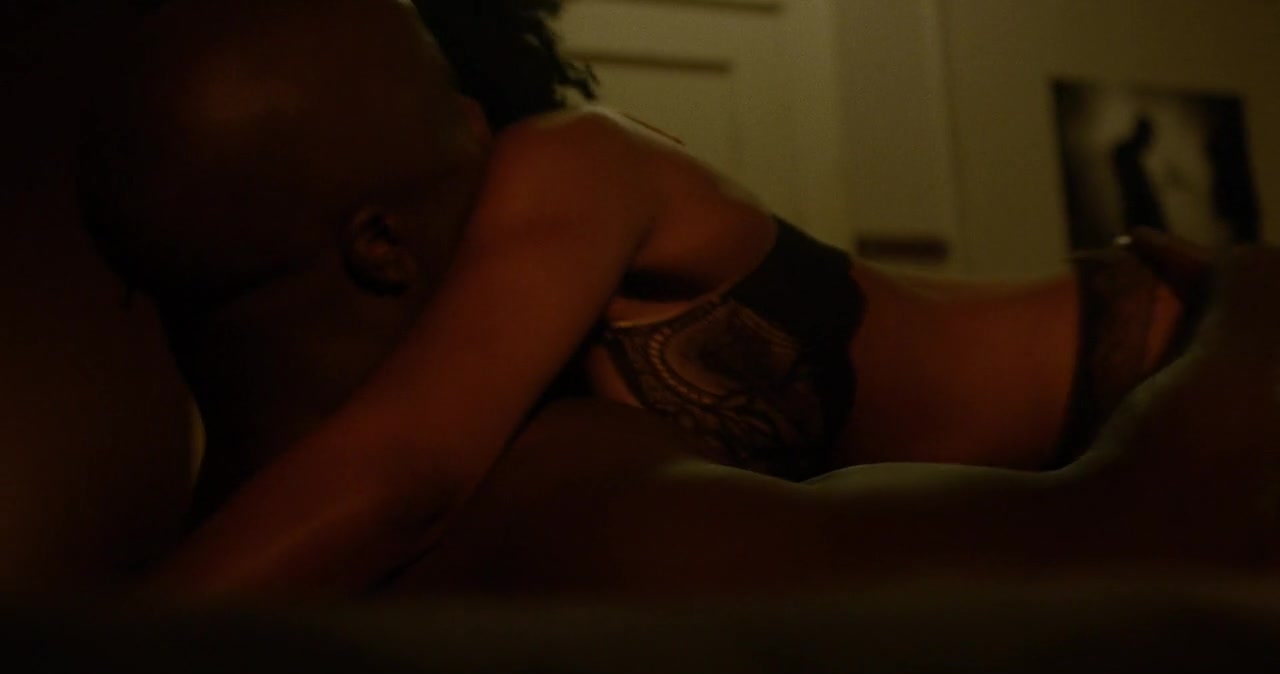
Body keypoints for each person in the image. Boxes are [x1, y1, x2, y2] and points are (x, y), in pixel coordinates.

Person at [77, 0, 1267, 597]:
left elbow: (401, 472)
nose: (480, 118)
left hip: (1145, 347)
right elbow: (385, 466)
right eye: (446, 102)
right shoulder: (477, 342)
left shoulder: (568, 159)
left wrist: (91, 667)